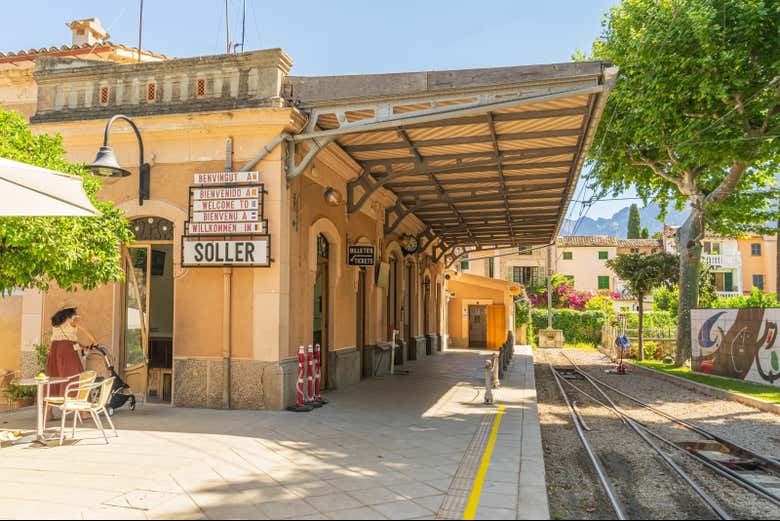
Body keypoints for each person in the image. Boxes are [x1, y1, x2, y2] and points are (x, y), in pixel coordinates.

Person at [45, 300, 98, 412]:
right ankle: (83, 411)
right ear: (72, 310)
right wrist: (94, 341)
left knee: (54, 376)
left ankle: (48, 413)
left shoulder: (56, 321)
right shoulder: (73, 320)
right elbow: (85, 331)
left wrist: (83, 346)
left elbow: (66, 338)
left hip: (54, 349)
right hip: (67, 350)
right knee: (75, 376)